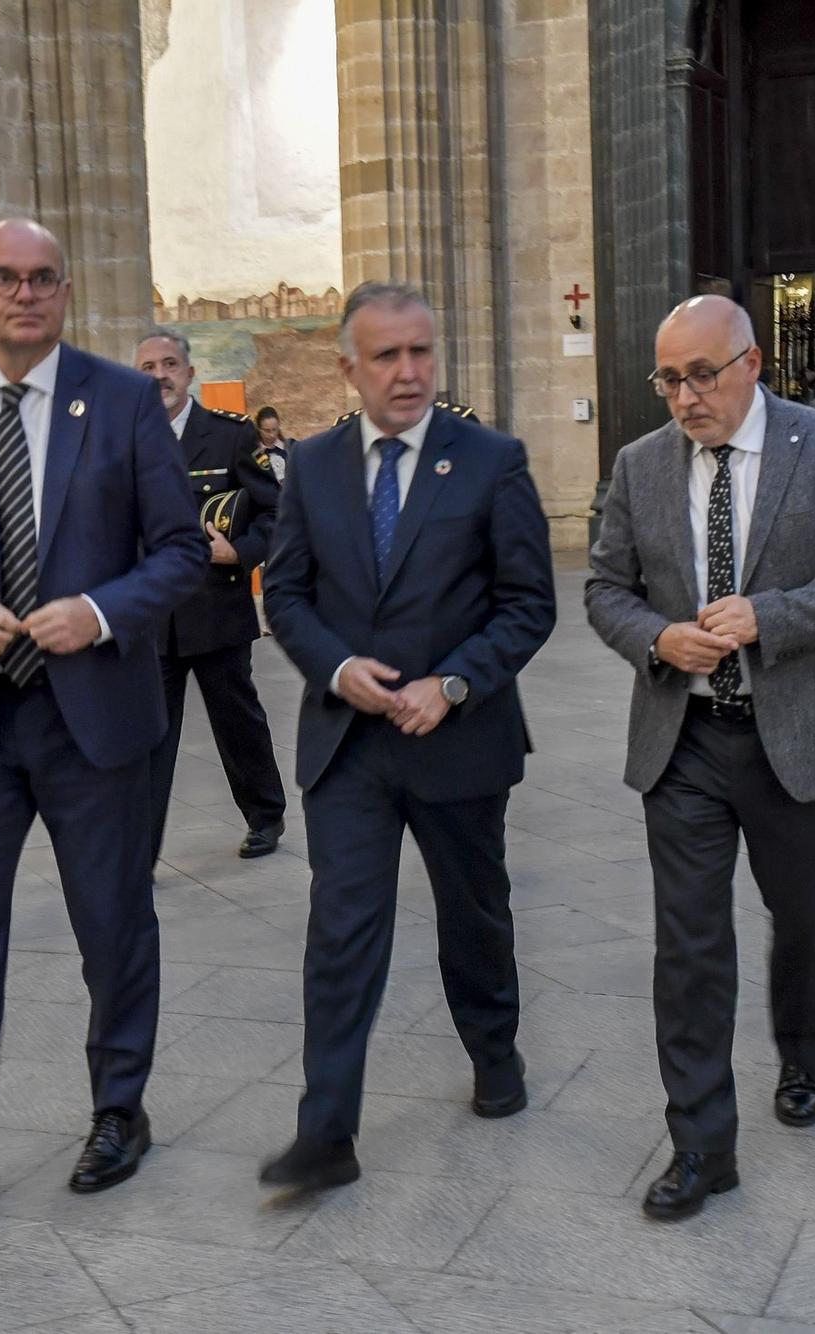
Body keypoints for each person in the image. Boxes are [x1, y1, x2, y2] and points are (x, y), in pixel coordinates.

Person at [0, 219, 209, 1229]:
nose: (24, 294)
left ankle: (117, 1108)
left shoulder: (126, 401)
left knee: (112, 924)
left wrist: (99, 611)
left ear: (66, 292)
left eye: (43, 278)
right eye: (3, 279)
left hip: (93, 719)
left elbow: (181, 551)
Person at [584, 296, 815, 1221]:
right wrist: (656, 638)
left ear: (752, 362)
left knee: (805, 917)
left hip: (790, 740)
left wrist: (773, 617)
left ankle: (802, 1051)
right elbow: (606, 587)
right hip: (681, 741)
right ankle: (701, 1145)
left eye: (702, 375)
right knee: (688, 945)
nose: (685, 397)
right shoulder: (641, 467)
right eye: (668, 379)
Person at [255, 281, 556, 1191]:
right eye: (387, 355)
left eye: (421, 351)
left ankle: (494, 1052)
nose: (410, 371)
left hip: (455, 741)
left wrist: (455, 683)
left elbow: (529, 604)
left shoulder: (492, 459)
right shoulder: (311, 466)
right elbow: (289, 593)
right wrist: (336, 669)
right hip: (351, 741)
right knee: (341, 930)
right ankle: (327, 1131)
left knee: (473, 915)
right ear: (349, 368)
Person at [134, 326, 288, 864]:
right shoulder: (123, 436)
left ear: (189, 373)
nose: (160, 377)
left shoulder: (228, 435)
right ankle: (141, 850)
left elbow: (275, 511)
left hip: (216, 607)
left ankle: (266, 815)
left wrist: (240, 553)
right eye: (149, 368)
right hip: (151, 616)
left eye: (169, 365)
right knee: (149, 735)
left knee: (237, 721)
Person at [255, 405, 292, 483]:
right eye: (267, 431)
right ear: (259, 429)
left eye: (274, 429)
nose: (271, 435)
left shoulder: (290, 447)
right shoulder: (255, 453)